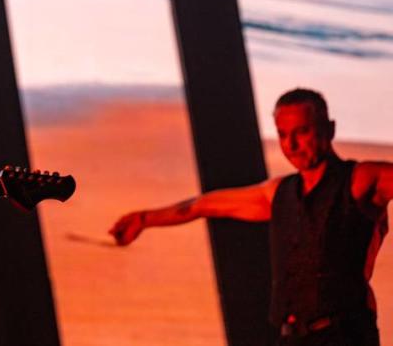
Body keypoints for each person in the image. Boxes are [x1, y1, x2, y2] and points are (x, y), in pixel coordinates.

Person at [110, 88, 390, 345]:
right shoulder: (278, 193)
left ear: (329, 129)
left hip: (344, 336)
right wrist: (144, 219)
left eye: (302, 132)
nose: (291, 144)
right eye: (282, 134)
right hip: (292, 339)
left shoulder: (361, 179)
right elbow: (200, 206)